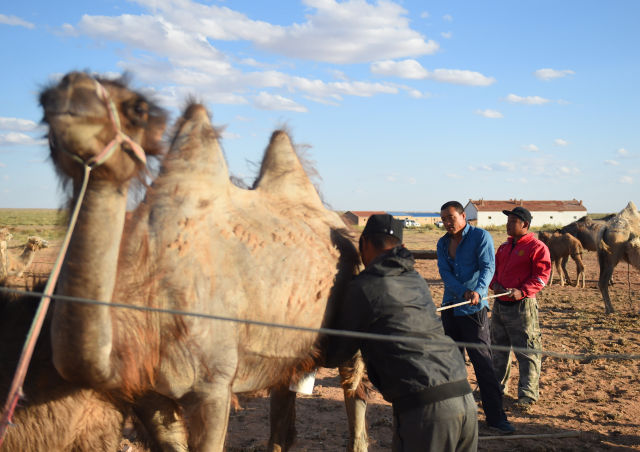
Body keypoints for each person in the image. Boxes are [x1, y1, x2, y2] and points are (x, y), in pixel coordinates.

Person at [326, 214, 478, 452]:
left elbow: (336, 355)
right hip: (464, 397)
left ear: (364, 244)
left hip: (426, 410)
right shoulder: (415, 279)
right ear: (403, 247)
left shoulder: (365, 287)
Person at [437, 201, 514, 434]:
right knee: (452, 365)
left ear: (463, 215)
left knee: (483, 364)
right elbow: (445, 273)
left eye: (451, 217)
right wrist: (463, 292)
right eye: (443, 219)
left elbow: (488, 267)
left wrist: (479, 291)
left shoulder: (481, 237)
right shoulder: (442, 243)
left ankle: (496, 418)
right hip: (451, 306)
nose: (447, 223)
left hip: (473, 310)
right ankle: (457, 417)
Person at [489, 206, 551, 410]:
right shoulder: (504, 248)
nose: (507, 224)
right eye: (507, 221)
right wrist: (495, 284)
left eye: (512, 221)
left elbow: (542, 277)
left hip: (522, 306)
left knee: (527, 351)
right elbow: (495, 272)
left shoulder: (537, 247)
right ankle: (496, 388)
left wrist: (522, 291)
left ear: (525, 224)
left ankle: (528, 395)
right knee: (498, 349)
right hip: (500, 305)